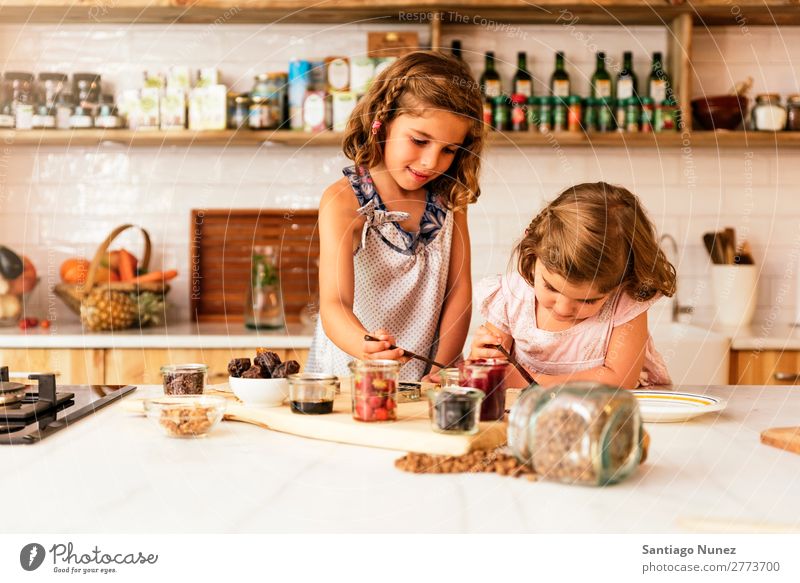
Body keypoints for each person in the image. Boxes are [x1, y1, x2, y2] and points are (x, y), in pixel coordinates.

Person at [307, 51, 485, 381]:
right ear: (382, 122)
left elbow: (458, 292)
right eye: (419, 140)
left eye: (449, 150)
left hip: (428, 376)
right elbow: (335, 304)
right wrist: (366, 347)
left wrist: (440, 369)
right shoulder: (343, 201)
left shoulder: (450, 199)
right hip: (353, 375)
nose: (432, 161)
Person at [471, 182, 677, 389]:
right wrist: (481, 362)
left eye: (587, 300)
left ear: (621, 281)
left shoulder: (624, 303)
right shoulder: (510, 297)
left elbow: (620, 380)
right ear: (533, 253)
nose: (562, 308)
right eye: (551, 287)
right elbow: (487, 374)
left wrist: (528, 381)